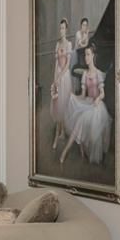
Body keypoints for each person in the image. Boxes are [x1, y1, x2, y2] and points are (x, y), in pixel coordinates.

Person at [60, 43, 112, 165]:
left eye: (88, 55)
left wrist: (99, 98)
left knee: (81, 120)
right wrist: (73, 96)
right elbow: (83, 95)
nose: (86, 58)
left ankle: (66, 151)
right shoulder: (84, 74)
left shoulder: (98, 73)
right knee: (79, 117)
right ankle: (68, 151)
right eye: (85, 55)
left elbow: (103, 93)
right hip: (88, 102)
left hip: (97, 106)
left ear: (93, 56)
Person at [50, 19, 74, 150]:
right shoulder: (57, 44)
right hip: (58, 76)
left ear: (67, 29)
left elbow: (67, 64)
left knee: (64, 103)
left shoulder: (69, 44)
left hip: (65, 76)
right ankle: (58, 133)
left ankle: (62, 132)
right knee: (57, 103)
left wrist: (60, 76)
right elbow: (56, 65)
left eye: (63, 28)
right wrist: (55, 79)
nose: (61, 31)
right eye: (60, 28)